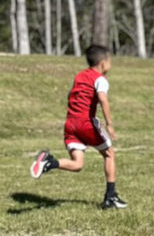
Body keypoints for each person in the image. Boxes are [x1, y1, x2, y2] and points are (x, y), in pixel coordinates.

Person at [30, 44, 126, 209]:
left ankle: (49, 162)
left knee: (78, 164)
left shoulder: (80, 76)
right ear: (103, 63)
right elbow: (102, 99)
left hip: (70, 124)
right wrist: (109, 124)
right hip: (85, 123)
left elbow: (71, 94)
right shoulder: (100, 79)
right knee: (109, 154)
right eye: (109, 60)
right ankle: (111, 197)